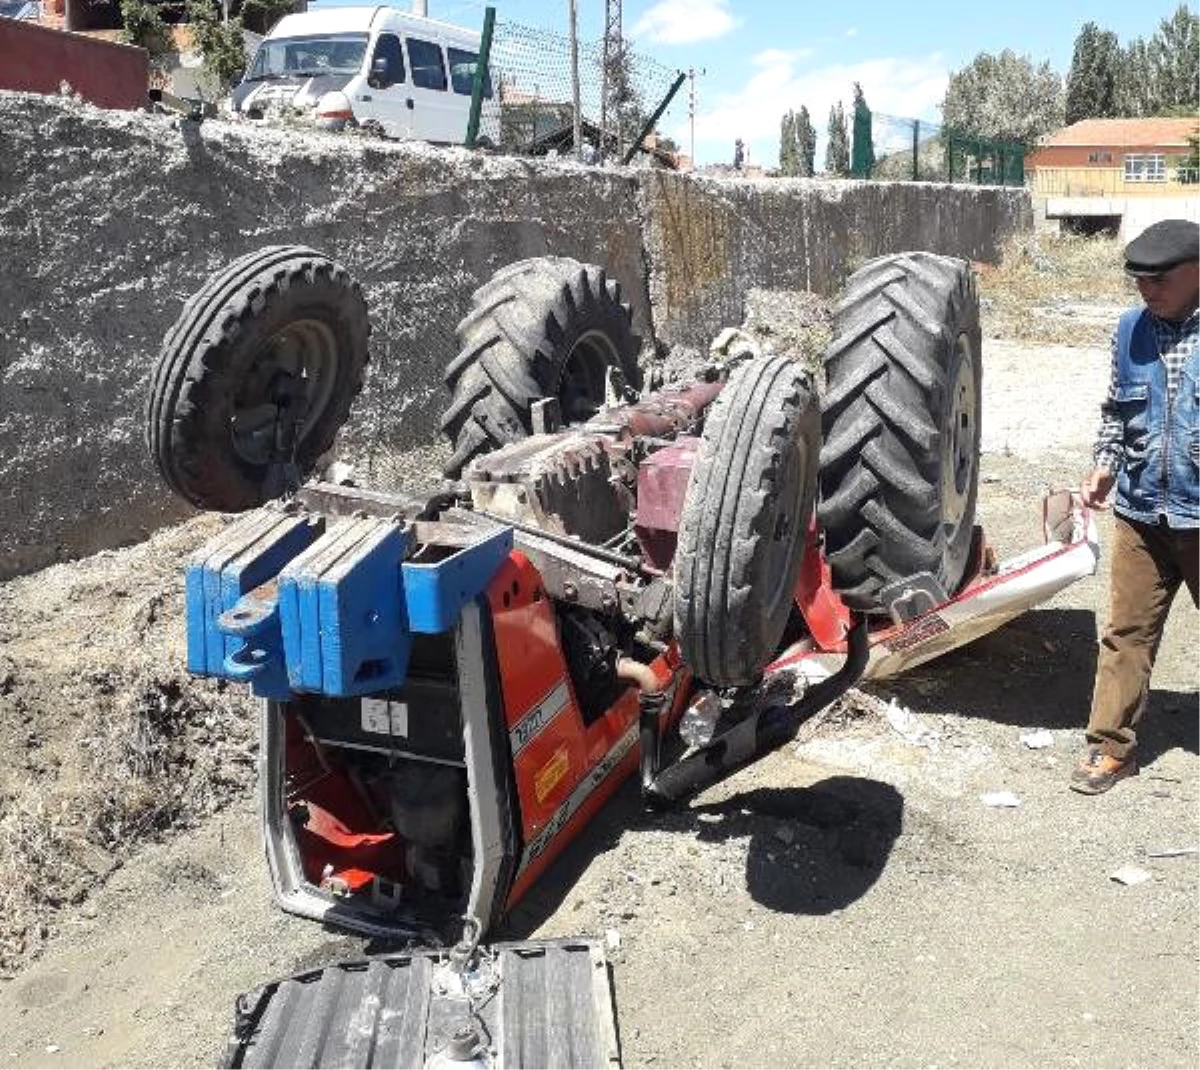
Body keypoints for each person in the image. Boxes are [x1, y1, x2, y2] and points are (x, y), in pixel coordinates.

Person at [1072, 218, 1200, 794]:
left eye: (1160, 278)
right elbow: (1116, 411)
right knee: (1125, 632)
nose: (1147, 289)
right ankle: (1109, 745)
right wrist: (1105, 460)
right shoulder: (1130, 330)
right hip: (1141, 512)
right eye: (1139, 279)